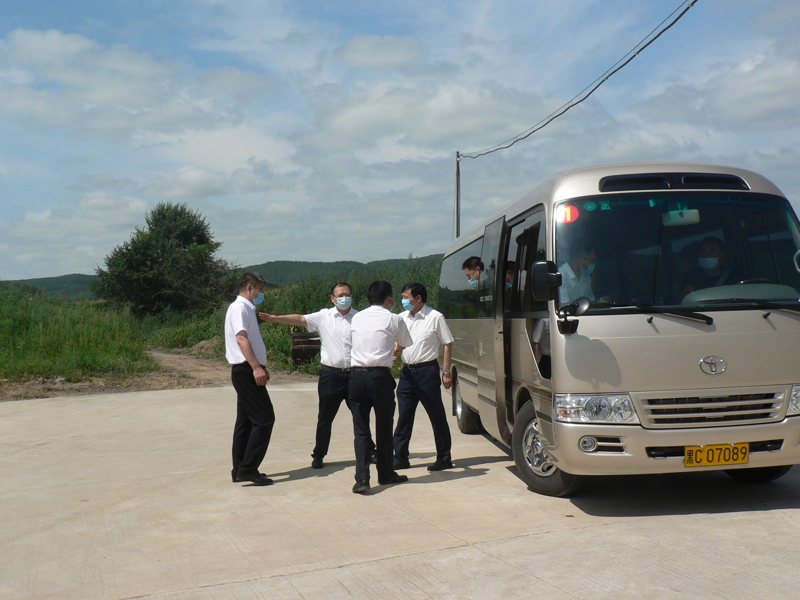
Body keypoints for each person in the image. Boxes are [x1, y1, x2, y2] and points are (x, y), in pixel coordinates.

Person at [260, 282, 375, 469]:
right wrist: (277, 318)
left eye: (348, 294)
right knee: (325, 418)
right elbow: (300, 319)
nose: (345, 298)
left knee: (360, 416)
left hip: (355, 375)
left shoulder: (360, 318)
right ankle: (319, 454)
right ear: (333, 298)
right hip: (331, 375)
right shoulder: (324, 316)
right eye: (340, 295)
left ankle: (370, 450)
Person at [348, 280, 413, 494]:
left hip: (356, 376)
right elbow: (405, 342)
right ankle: (385, 473)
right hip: (379, 377)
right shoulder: (393, 318)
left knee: (361, 429)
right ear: (388, 299)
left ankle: (362, 479)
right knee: (384, 426)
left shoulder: (357, 317)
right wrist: (394, 349)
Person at [392, 283, 455, 472]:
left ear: (418, 298)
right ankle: (400, 458)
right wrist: (395, 351)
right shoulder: (402, 318)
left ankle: (444, 458)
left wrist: (446, 372)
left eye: (406, 297)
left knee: (436, 415)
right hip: (407, 373)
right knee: (404, 416)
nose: (403, 301)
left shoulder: (435, 317)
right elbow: (398, 342)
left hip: (427, 372)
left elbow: (447, 343)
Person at [224, 272, 275, 486]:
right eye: (260, 289)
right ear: (249, 288)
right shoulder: (240, 308)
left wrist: (259, 366)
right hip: (246, 370)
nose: (261, 293)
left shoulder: (245, 308)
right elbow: (241, 338)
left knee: (245, 422)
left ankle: (239, 469)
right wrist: (256, 367)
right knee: (264, 419)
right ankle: (248, 468)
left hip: (246, 370)